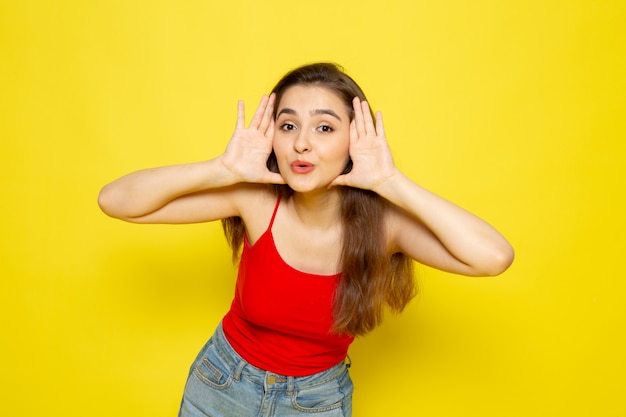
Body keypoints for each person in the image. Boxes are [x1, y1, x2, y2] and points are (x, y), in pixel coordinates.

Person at [98, 62, 514, 417]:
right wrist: (219, 169)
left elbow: (493, 256)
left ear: (354, 141)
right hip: (221, 385)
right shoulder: (255, 201)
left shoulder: (386, 226)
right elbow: (115, 200)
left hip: (318, 401)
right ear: (273, 137)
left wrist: (392, 182)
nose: (302, 143)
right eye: (289, 124)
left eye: (324, 127)